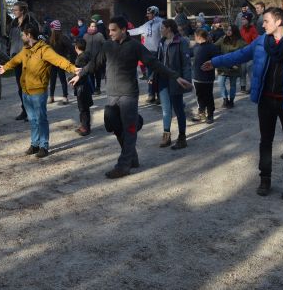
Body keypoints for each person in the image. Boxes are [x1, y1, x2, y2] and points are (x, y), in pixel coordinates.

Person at [201, 7, 283, 200]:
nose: (262, 25)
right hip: (266, 100)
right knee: (265, 142)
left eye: (266, 21)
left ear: (278, 21)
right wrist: (215, 62)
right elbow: (240, 54)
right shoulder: (261, 42)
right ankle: (265, 179)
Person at [70, 16, 192, 179]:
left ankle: (123, 165)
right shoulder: (107, 45)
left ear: (123, 30)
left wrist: (175, 76)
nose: (110, 33)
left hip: (128, 95)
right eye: (109, 30)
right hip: (112, 94)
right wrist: (81, 74)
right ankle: (132, 154)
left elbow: (154, 63)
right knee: (114, 125)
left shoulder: (135, 46)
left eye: (113, 30)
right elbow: (95, 63)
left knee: (129, 129)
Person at [0, 24, 79, 158]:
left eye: (23, 34)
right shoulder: (25, 50)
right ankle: (35, 144)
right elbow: (16, 60)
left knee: (41, 119)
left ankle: (44, 145)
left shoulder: (44, 50)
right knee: (32, 119)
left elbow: (59, 60)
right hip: (26, 91)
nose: (21, 36)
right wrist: (6, 67)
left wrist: (73, 69)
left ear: (29, 35)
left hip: (38, 91)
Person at [156, 19, 192, 149]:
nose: (161, 30)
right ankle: (166, 135)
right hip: (163, 79)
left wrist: (187, 80)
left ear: (169, 28)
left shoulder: (181, 42)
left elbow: (186, 63)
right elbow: (157, 61)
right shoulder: (161, 42)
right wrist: (152, 75)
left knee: (178, 109)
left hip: (176, 80)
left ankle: (182, 138)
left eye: (162, 28)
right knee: (166, 109)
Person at [8, 1, 39, 121]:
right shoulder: (13, 23)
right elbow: (11, 39)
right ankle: (25, 110)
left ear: (22, 11)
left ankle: (33, 111)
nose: (14, 12)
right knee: (20, 86)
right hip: (16, 57)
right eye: (13, 10)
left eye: (16, 10)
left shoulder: (30, 23)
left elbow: (35, 40)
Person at [129, 6, 163, 103]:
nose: (147, 15)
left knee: (158, 75)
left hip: (159, 52)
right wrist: (125, 32)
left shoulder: (161, 23)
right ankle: (151, 94)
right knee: (149, 74)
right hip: (148, 53)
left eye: (149, 14)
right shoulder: (147, 24)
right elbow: (137, 30)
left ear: (155, 13)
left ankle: (160, 96)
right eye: (147, 14)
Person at [214, 25, 247, 108]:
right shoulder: (223, 39)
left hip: (234, 65)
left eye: (230, 30)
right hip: (223, 65)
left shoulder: (240, 41)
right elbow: (213, 46)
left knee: (233, 84)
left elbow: (247, 50)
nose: (228, 32)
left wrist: (240, 59)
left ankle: (231, 101)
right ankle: (225, 100)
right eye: (227, 30)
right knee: (221, 82)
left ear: (235, 31)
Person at [191, 29, 220, 123]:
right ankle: (201, 113)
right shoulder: (195, 46)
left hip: (207, 78)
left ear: (199, 37)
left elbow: (216, 60)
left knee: (208, 96)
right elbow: (190, 55)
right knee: (199, 96)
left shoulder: (212, 47)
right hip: (196, 77)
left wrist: (213, 66)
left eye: (195, 36)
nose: (194, 38)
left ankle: (210, 115)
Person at [48, 20, 73, 104]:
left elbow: (71, 48)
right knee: (52, 80)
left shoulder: (63, 38)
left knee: (62, 79)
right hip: (52, 62)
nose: (51, 29)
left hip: (61, 62)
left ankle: (65, 97)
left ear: (55, 29)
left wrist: (69, 58)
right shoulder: (50, 39)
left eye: (52, 28)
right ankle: (51, 96)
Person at [73, 39, 94, 136]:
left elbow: (79, 73)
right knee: (85, 107)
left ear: (76, 47)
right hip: (87, 85)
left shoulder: (79, 59)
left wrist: (71, 78)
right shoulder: (88, 55)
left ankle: (85, 128)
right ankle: (85, 126)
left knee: (83, 108)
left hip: (81, 86)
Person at [83, 20, 106, 95]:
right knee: (90, 74)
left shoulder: (100, 35)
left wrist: (102, 55)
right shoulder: (85, 36)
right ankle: (92, 88)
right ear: (89, 27)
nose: (93, 28)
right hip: (88, 59)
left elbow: (105, 45)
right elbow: (83, 46)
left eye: (95, 26)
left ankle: (98, 88)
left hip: (98, 58)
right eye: (92, 26)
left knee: (97, 74)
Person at [239, 12, 259, 94]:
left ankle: (252, 87)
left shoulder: (253, 29)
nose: (242, 21)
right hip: (242, 52)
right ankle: (242, 86)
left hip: (250, 53)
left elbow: (255, 41)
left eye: (244, 19)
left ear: (248, 20)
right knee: (242, 70)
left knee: (250, 70)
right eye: (242, 19)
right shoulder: (241, 29)